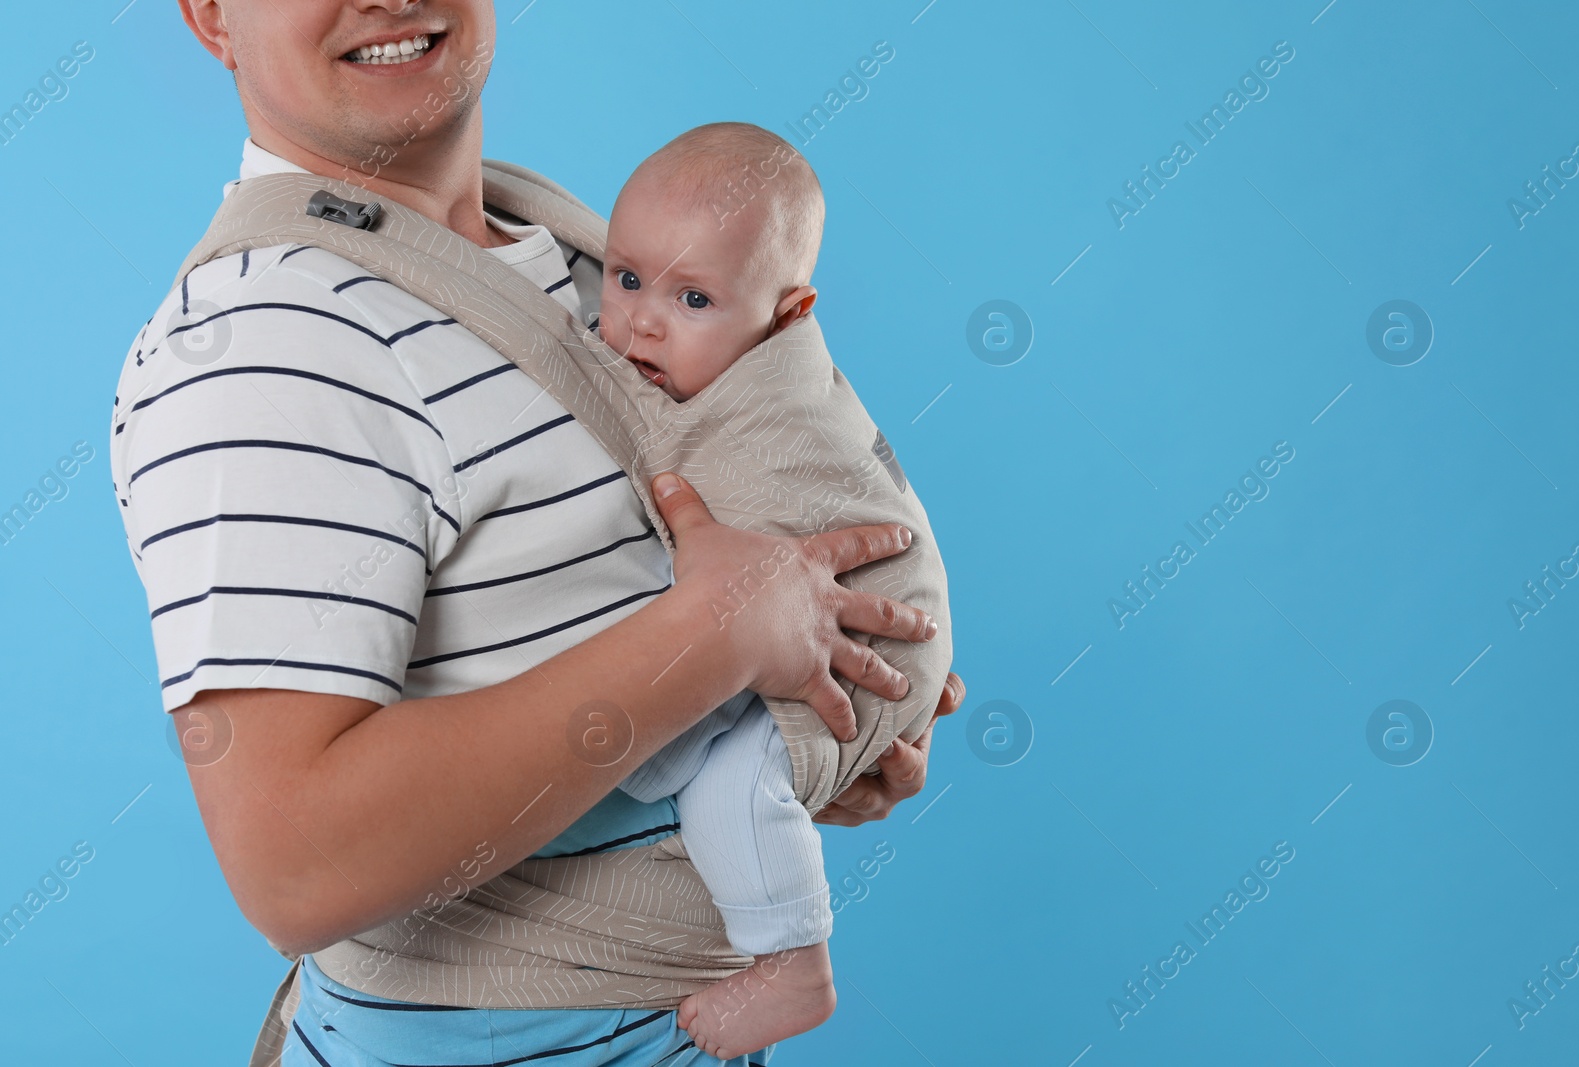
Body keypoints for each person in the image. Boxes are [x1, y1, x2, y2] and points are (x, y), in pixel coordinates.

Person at [112, 2, 963, 1064]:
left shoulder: (571, 244)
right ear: (210, 15)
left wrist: (823, 727)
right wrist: (720, 638)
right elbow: (296, 861)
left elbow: (608, 649)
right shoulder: (269, 345)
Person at [592, 121, 945, 1059]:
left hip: (876, 619)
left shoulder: (769, 402)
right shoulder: (693, 356)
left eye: (694, 296)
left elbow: (784, 499)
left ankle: (795, 962)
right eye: (624, 278)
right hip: (805, 615)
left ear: (789, 314)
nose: (641, 323)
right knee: (675, 750)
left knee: (735, 786)